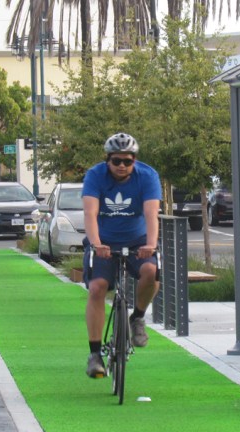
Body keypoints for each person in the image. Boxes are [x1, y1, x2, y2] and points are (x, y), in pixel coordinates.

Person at [82, 132, 162, 378]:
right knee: (97, 288)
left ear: (134, 161)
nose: (121, 166)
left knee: (151, 271)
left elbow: (151, 214)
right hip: (104, 242)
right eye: (116, 161)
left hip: (138, 242)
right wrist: (96, 244)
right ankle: (95, 354)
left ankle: (137, 318)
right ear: (108, 160)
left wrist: (151, 244)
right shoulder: (95, 176)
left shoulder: (148, 177)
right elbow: (90, 214)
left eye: (127, 161)